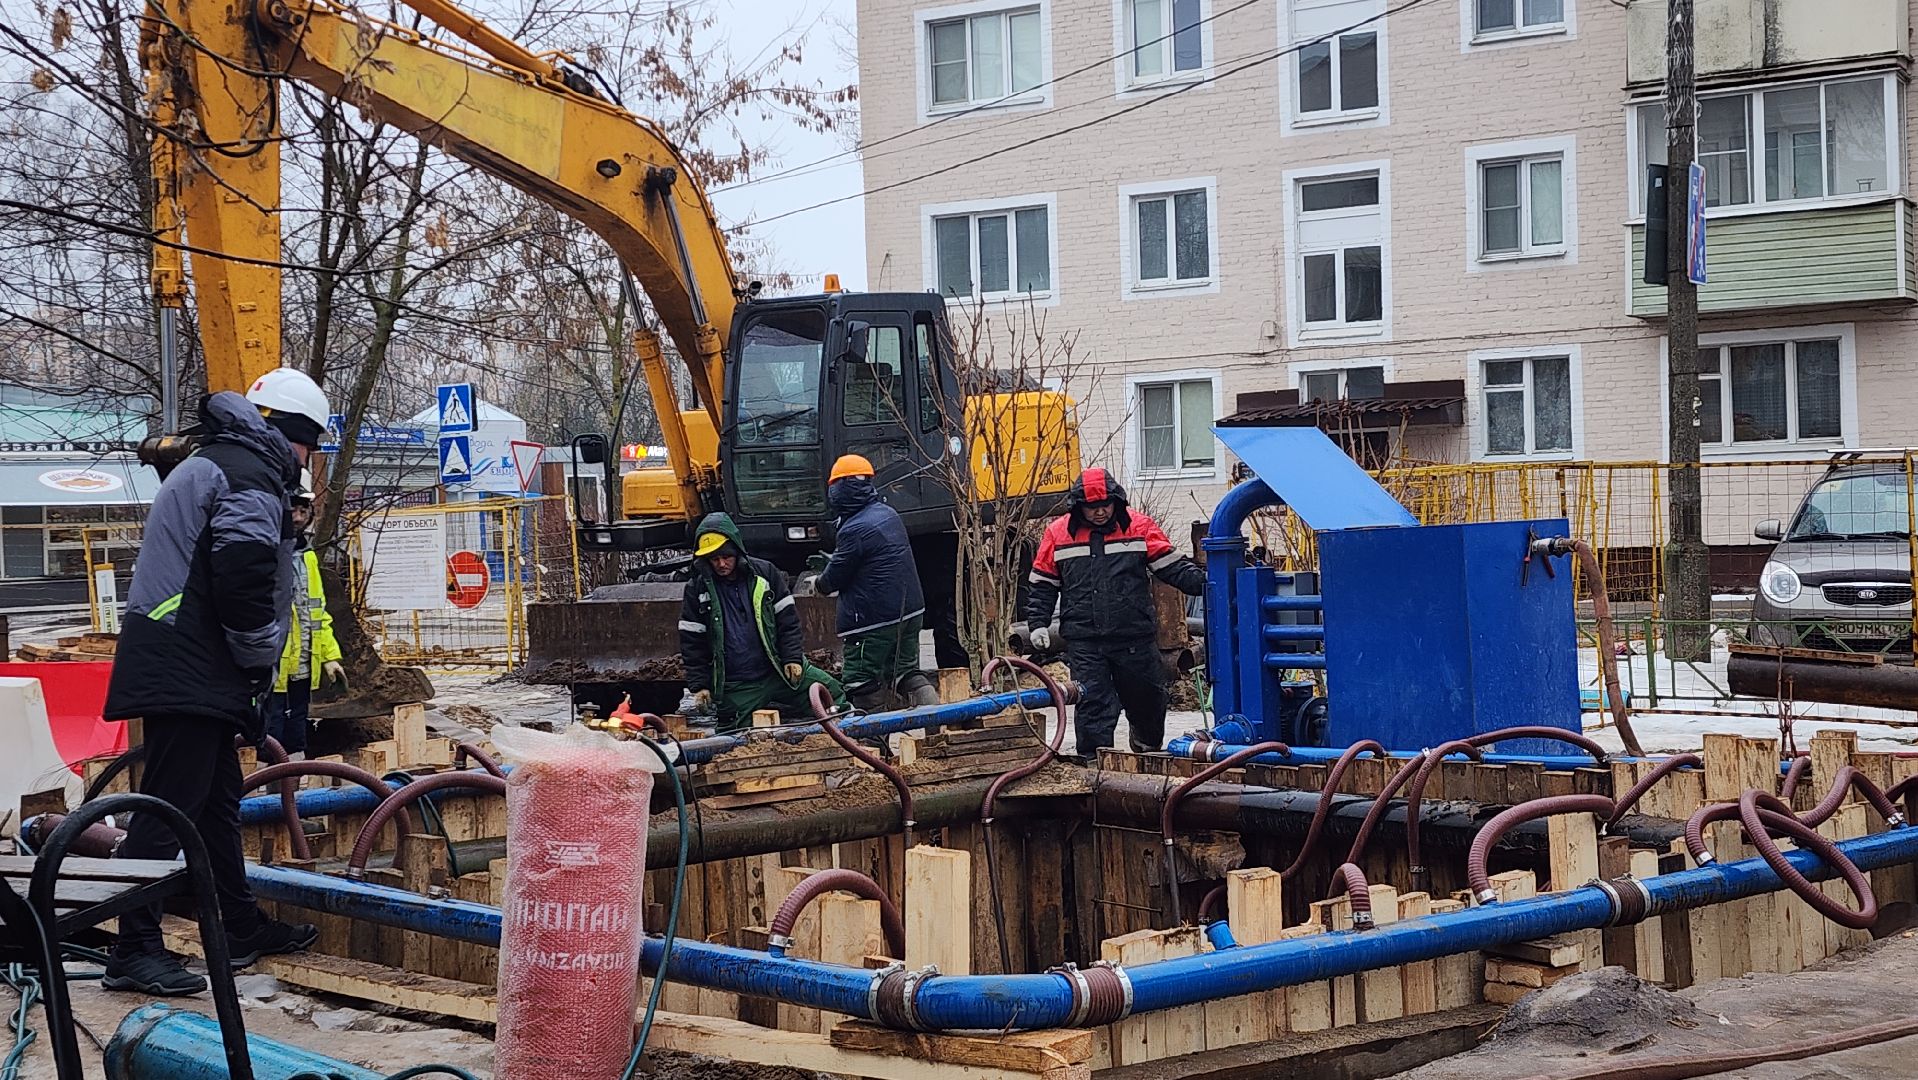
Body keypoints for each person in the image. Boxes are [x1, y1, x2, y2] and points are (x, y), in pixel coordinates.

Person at [103, 368, 331, 995]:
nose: (307, 463)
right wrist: (259, 663)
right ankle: (135, 946)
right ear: (295, 435)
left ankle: (235, 925)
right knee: (168, 809)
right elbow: (244, 578)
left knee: (215, 806)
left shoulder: (221, 462)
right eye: (310, 447)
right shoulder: (249, 474)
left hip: (188, 659)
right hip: (191, 662)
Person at [1024, 467, 1206, 758]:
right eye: (1092, 508)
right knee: (1093, 703)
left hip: (1134, 636)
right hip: (1086, 641)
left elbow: (1171, 566)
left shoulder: (1139, 527)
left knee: (1148, 699)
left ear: (1116, 502)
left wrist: (1208, 584)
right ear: (1078, 507)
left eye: (1105, 506)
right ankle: (1093, 764)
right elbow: (1043, 584)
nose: (1099, 513)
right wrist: (1038, 624)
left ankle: (1146, 749)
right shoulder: (1058, 533)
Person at [679, 512, 844, 732]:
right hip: (738, 684)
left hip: (777, 670)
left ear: (737, 549)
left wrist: (792, 658)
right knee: (732, 737)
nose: (721, 564)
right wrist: (700, 685)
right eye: (714, 559)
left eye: (726, 557)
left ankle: (854, 738)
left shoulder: (764, 574)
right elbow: (692, 642)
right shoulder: (697, 589)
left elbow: (787, 621)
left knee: (830, 693)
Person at [813, 455, 940, 712]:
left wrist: (819, 584)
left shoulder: (854, 529)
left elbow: (837, 574)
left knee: (862, 681)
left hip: (873, 621)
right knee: (905, 672)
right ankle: (939, 725)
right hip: (910, 611)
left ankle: (874, 747)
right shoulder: (888, 514)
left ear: (838, 490)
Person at [265, 477, 346, 760]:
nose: (298, 518)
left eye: (303, 510)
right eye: (292, 510)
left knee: (297, 731)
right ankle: (269, 794)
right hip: (271, 670)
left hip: (301, 667)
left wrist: (328, 657)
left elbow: (317, 613)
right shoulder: (265, 554)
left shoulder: (307, 556)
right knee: (270, 734)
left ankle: (294, 794)